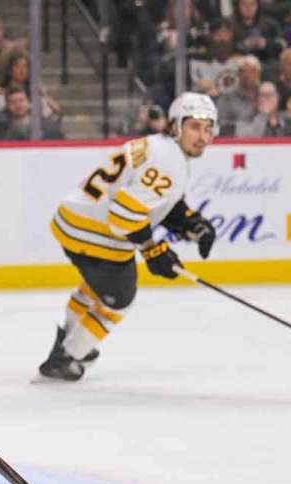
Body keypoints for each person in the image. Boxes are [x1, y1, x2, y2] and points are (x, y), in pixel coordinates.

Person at [37, 92, 219, 380]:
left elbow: (148, 200)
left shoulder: (160, 147)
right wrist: (152, 249)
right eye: (194, 126)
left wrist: (189, 221)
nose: (203, 136)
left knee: (99, 287)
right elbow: (123, 214)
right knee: (120, 297)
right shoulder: (170, 162)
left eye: (208, 128)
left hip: (71, 219)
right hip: (94, 232)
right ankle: (66, 356)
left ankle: (69, 341)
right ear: (175, 125)